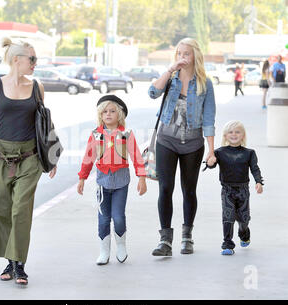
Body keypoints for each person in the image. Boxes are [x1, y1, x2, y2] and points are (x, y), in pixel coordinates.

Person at [0, 37, 57, 286]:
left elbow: (44, 123)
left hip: (30, 159)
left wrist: (52, 155)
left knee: (20, 210)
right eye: (33, 59)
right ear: (17, 60)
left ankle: (20, 265)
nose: (35, 63)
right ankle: (10, 260)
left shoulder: (37, 87)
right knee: (3, 211)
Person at [148, 38, 216, 257]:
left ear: (195, 55)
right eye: (179, 53)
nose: (183, 57)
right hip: (166, 140)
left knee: (189, 190)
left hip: (193, 145)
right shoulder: (171, 77)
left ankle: (187, 237)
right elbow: (152, 92)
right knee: (165, 188)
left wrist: (211, 150)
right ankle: (165, 240)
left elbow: (208, 118)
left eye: (187, 53)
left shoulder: (205, 83)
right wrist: (170, 70)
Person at [77, 95, 147, 265]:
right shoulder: (95, 135)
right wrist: (82, 178)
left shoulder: (126, 134)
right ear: (100, 115)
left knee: (118, 216)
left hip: (121, 181)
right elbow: (88, 157)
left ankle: (121, 244)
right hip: (102, 182)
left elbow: (136, 156)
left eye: (112, 111)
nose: (108, 114)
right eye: (104, 112)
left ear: (120, 114)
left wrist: (142, 177)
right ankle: (104, 250)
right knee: (103, 217)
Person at [205, 120, 264, 255]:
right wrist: (210, 162)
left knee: (244, 218)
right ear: (225, 135)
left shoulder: (249, 153)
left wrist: (258, 182)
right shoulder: (219, 152)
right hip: (227, 190)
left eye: (237, 132)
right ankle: (227, 244)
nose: (234, 134)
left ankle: (244, 233)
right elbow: (211, 164)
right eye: (230, 132)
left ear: (243, 135)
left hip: (243, 190)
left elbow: (255, 169)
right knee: (228, 216)